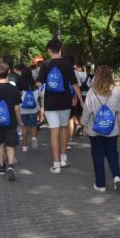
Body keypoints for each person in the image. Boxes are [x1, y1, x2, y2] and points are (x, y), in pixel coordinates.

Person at [36, 37, 83, 174]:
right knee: (64, 129)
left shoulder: (45, 65)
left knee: (54, 131)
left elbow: (39, 84)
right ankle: (63, 158)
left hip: (50, 103)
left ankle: (56, 164)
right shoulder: (67, 64)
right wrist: (80, 99)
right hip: (65, 102)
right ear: (60, 49)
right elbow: (74, 84)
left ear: (49, 50)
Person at [81, 65, 120, 193]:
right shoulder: (117, 91)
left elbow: (87, 110)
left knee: (98, 156)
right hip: (112, 130)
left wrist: (84, 124)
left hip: (95, 130)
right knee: (112, 153)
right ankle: (116, 176)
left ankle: (100, 184)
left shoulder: (92, 91)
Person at [0, 63, 23, 181]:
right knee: (10, 145)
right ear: (8, 73)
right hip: (11, 121)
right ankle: (11, 166)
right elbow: (17, 108)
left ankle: (1, 167)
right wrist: (20, 121)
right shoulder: (13, 89)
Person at [17, 66, 41, 152]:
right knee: (33, 124)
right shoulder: (33, 83)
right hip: (33, 107)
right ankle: (34, 138)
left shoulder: (19, 81)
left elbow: (17, 94)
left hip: (22, 107)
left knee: (24, 126)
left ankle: (24, 146)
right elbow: (38, 95)